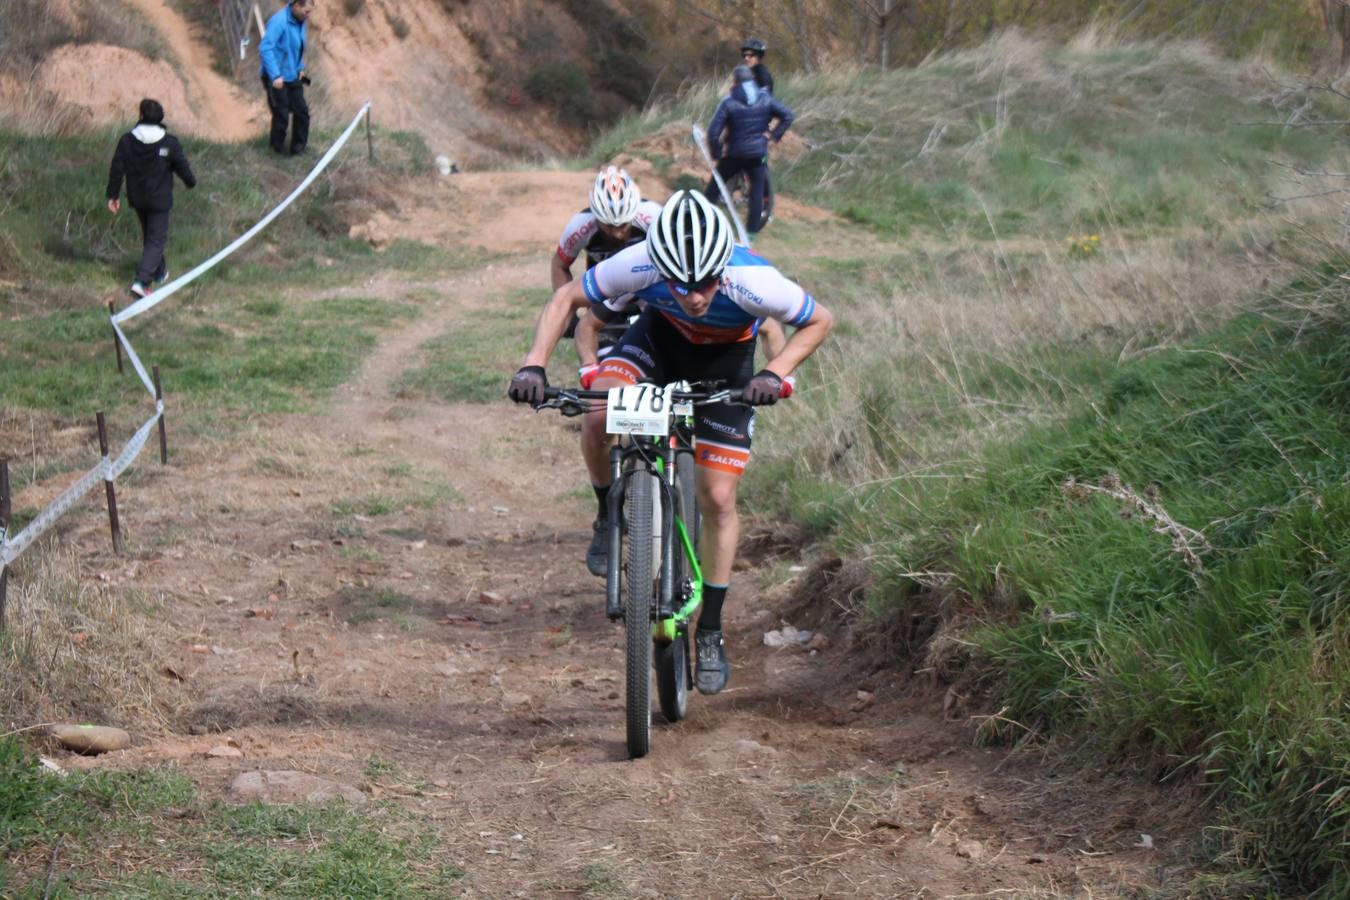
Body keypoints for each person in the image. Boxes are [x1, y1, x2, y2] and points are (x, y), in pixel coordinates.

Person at [509, 190, 833, 695]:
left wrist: (776, 373)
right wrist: (533, 362)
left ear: (721, 267)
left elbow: (819, 320)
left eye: (704, 282)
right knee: (601, 408)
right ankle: (618, 503)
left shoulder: (753, 279)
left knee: (719, 497)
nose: (694, 295)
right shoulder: (639, 263)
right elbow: (566, 298)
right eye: (679, 283)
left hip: (726, 361)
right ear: (658, 265)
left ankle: (710, 629)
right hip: (656, 342)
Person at [554, 166, 663, 361]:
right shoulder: (580, 226)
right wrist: (567, 314)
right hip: (605, 296)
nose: (617, 233)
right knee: (606, 364)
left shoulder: (654, 217)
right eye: (609, 226)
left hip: (646, 292)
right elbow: (560, 265)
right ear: (596, 216)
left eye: (623, 225)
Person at [105, 98, 197, 300]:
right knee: (156, 239)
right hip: (159, 200)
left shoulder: (127, 140)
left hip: (137, 198)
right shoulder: (169, 142)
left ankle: (160, 272)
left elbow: (117, 169)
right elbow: (183, 167)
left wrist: (112, 195)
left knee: (151, 236)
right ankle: (142, 282)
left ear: (140, 116)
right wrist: (191, 182)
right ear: (160, 118)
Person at [704, 65, 794, 236]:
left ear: (735, 81)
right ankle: (751, 234)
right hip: (758, 153)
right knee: (757, 191)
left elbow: (713, 132)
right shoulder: (765, 98)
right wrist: (773, 135)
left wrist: (716, 153)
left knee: (714, 188)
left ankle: (702, 221)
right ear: (752, 80)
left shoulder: (728, 102)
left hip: (734, 154)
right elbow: (788, 115)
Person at [258, 0, 314, 156]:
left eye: (310, 12)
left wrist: (300, 68)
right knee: (281, 115)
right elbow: (265, 48)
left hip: (292, 75)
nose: (308, 15)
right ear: (296, 6)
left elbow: (295, 48)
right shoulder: (279, 21)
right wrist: (275, 75)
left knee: (301, 111)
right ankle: (275, 151)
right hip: (275, 76)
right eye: (306, 11)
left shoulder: (301, 21)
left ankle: (298, 148)